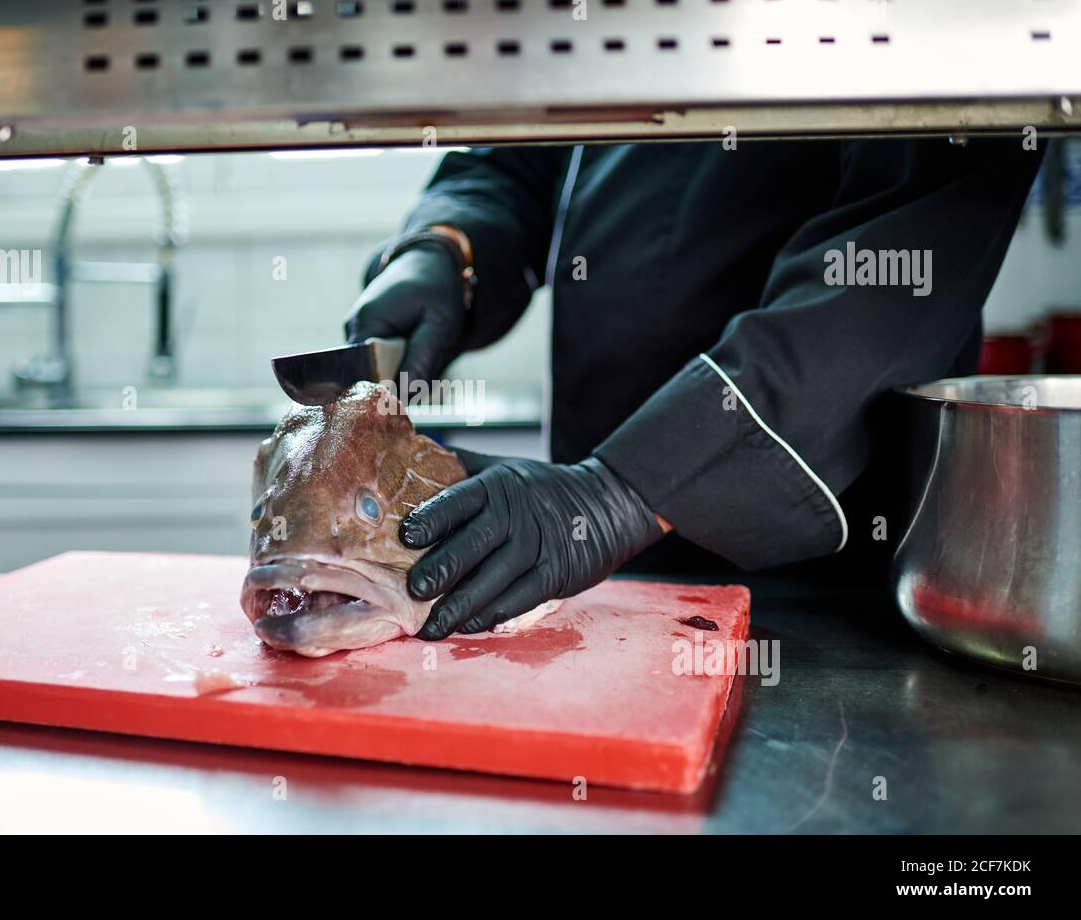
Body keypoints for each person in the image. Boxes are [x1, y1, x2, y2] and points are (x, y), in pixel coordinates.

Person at [346, 138, 1043, 640]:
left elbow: (891, 262)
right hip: (578, 583)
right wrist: (447, 244)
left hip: (824, 596)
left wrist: (623, 490)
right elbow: (521, 151)